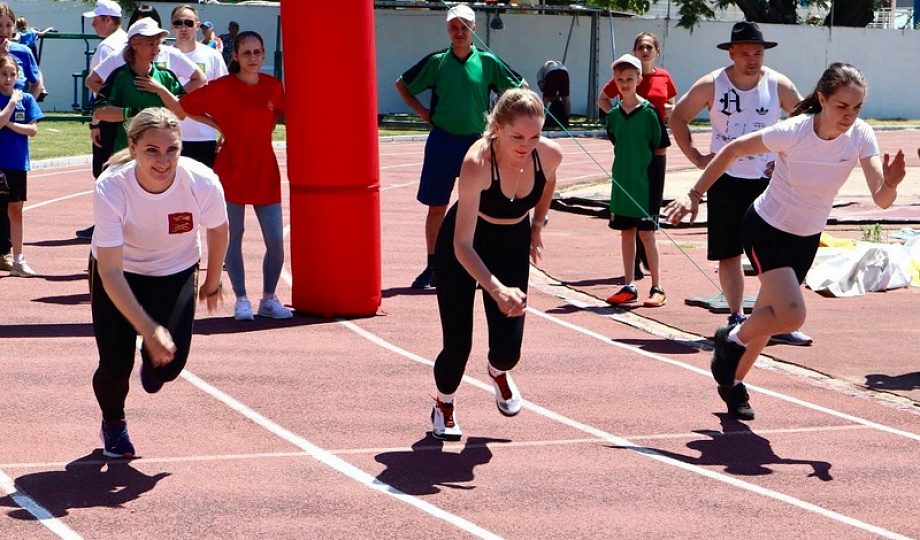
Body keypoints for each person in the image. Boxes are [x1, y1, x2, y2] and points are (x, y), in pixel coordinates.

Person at [664, 63, 905, 420]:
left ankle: (731, 383)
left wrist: (892, 183)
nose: (849, 115)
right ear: (822, 99)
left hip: (805, 239)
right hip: (766, 228)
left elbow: (882, 201)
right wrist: (694, 193)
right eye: (841, 106)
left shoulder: (861, 136)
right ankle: (730, 336)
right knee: (791, 316)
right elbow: (731, 150)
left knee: (769, 318)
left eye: (856, 108)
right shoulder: (793, 132)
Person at [90, 107, 229, 458]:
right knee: (115, 365)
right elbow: (110, 271)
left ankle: (152, 365)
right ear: (133, 147)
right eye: (152, 150)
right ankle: (114, 423)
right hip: (121, 273)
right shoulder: (112, 186)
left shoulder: (201, 181)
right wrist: (148, 329)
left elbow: (219, 229)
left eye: (172, 150)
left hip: (176, 269)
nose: (163, 161)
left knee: (169, 366)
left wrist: (212, 282)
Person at [668, 21, 813, 346]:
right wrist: (695, 156)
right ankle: (735, 315)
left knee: (776, 252)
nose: (752, 59)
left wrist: (786, 157)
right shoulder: (712, 85)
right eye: (745, 53)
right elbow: (678, 116)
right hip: (726, 180)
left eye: (758, 53)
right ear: (731, 53)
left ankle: (777, 318)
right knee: (729, 251)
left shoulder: (778, 85)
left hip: (768, 182)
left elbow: (807, 119)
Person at [430, 88, 562, 440]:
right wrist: (495, 288)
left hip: (511, 244)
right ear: (497, 127)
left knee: (509, 350)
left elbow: (548, 183)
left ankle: (498, 372)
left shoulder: (548, 156)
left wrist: (536, 226)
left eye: (534, 136)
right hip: (464, 245)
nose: (526, 144)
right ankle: (444, 404)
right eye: (517, 136)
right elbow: (462, 243)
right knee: (458, 344)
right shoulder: (477, 163)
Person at [163, 30, 293, 321]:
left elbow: (273, 119)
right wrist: (219, 125)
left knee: (275, 239)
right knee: (234, 237)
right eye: (246, 53)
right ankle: (242, 299)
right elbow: (184, 109)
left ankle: (269, 299)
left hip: (264, 169)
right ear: (235, 55)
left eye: (257, 52)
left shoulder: (273, 86)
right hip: (231, 169)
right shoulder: (222, 86)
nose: (253, 58)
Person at [395, 4, 524, 290]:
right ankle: (433, 266)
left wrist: (501, 123)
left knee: (480, 206)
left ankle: (479, 266)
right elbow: (402, 84)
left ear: (474, 29)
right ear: (447, 30)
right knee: (437, 205)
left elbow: (520, 88)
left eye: (464, 26)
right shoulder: (437, 62)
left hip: (476, 144)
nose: (459, 32)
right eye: (453, 26)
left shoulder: (488, 62)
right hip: (442, 141)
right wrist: (423, 113)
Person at [597, 31, 676, 282]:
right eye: (640, 46)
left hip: (652, 151)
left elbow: (671, 105)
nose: (644, 51)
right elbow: (606, 105)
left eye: (649, 47)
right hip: (629, 159)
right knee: (628, 228)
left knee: (646, 226)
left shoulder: (662, 79)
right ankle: (630, 278)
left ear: (656, 51)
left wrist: (669, 114)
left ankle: (656, 283)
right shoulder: (619, 105)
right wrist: (617, 117)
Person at [601, 54, 667, 308]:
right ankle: (629, 285)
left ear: (639, 79)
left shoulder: (649, 112)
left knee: (647, 235)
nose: (625, 84)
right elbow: (619, 144)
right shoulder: (614, 115)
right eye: (620, 80)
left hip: (645, 185)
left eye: (630, 79)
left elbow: (659, 149)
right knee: (626, 234)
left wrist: (653, 187)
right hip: (622, 183)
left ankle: (657, 286)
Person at [90, 18, 185, 154]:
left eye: (157, 44)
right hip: (127, 152)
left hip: (163, 153)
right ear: (134, 44)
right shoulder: (120, 76)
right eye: (150, 44)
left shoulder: (166, 76)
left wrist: (161, 90)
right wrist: (136, 112)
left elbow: (182, 113)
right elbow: (101, 111)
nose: (156, 49)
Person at [75, 0, 128, 241]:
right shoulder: (125, 41)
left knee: (105, 171)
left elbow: (102, 90)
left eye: (96, 19)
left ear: (108, 20)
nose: (93, 24)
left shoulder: (108, 47)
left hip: (110, 118)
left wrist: (96, 122)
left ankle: (106, 224)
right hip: (122, 115)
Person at [0, 3, 43, 271]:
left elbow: (37, 83)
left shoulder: (23, 51)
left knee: (12, 204)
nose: (4, 31)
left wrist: (24, 108)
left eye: (8, 25)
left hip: (14, 147)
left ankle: (10, 254)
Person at [169, 5, 228, 168]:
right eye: (178, 23)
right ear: (171, 26)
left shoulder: (212, 56)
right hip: (169, 137)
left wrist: (225, 130)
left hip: (204, 138)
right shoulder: (163, 56)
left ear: (197, 26)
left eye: (188, 23)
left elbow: (225, 96)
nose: (183, 28)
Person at [536, 59, 569, 129]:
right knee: (566, 98)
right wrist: (555, 95)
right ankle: (566, 121)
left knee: (545, 99)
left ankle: (542, 120)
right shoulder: (559, 66)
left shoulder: (540, 73)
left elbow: (541, 86)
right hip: (565, 73)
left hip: (551, 73)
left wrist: (548, 95)